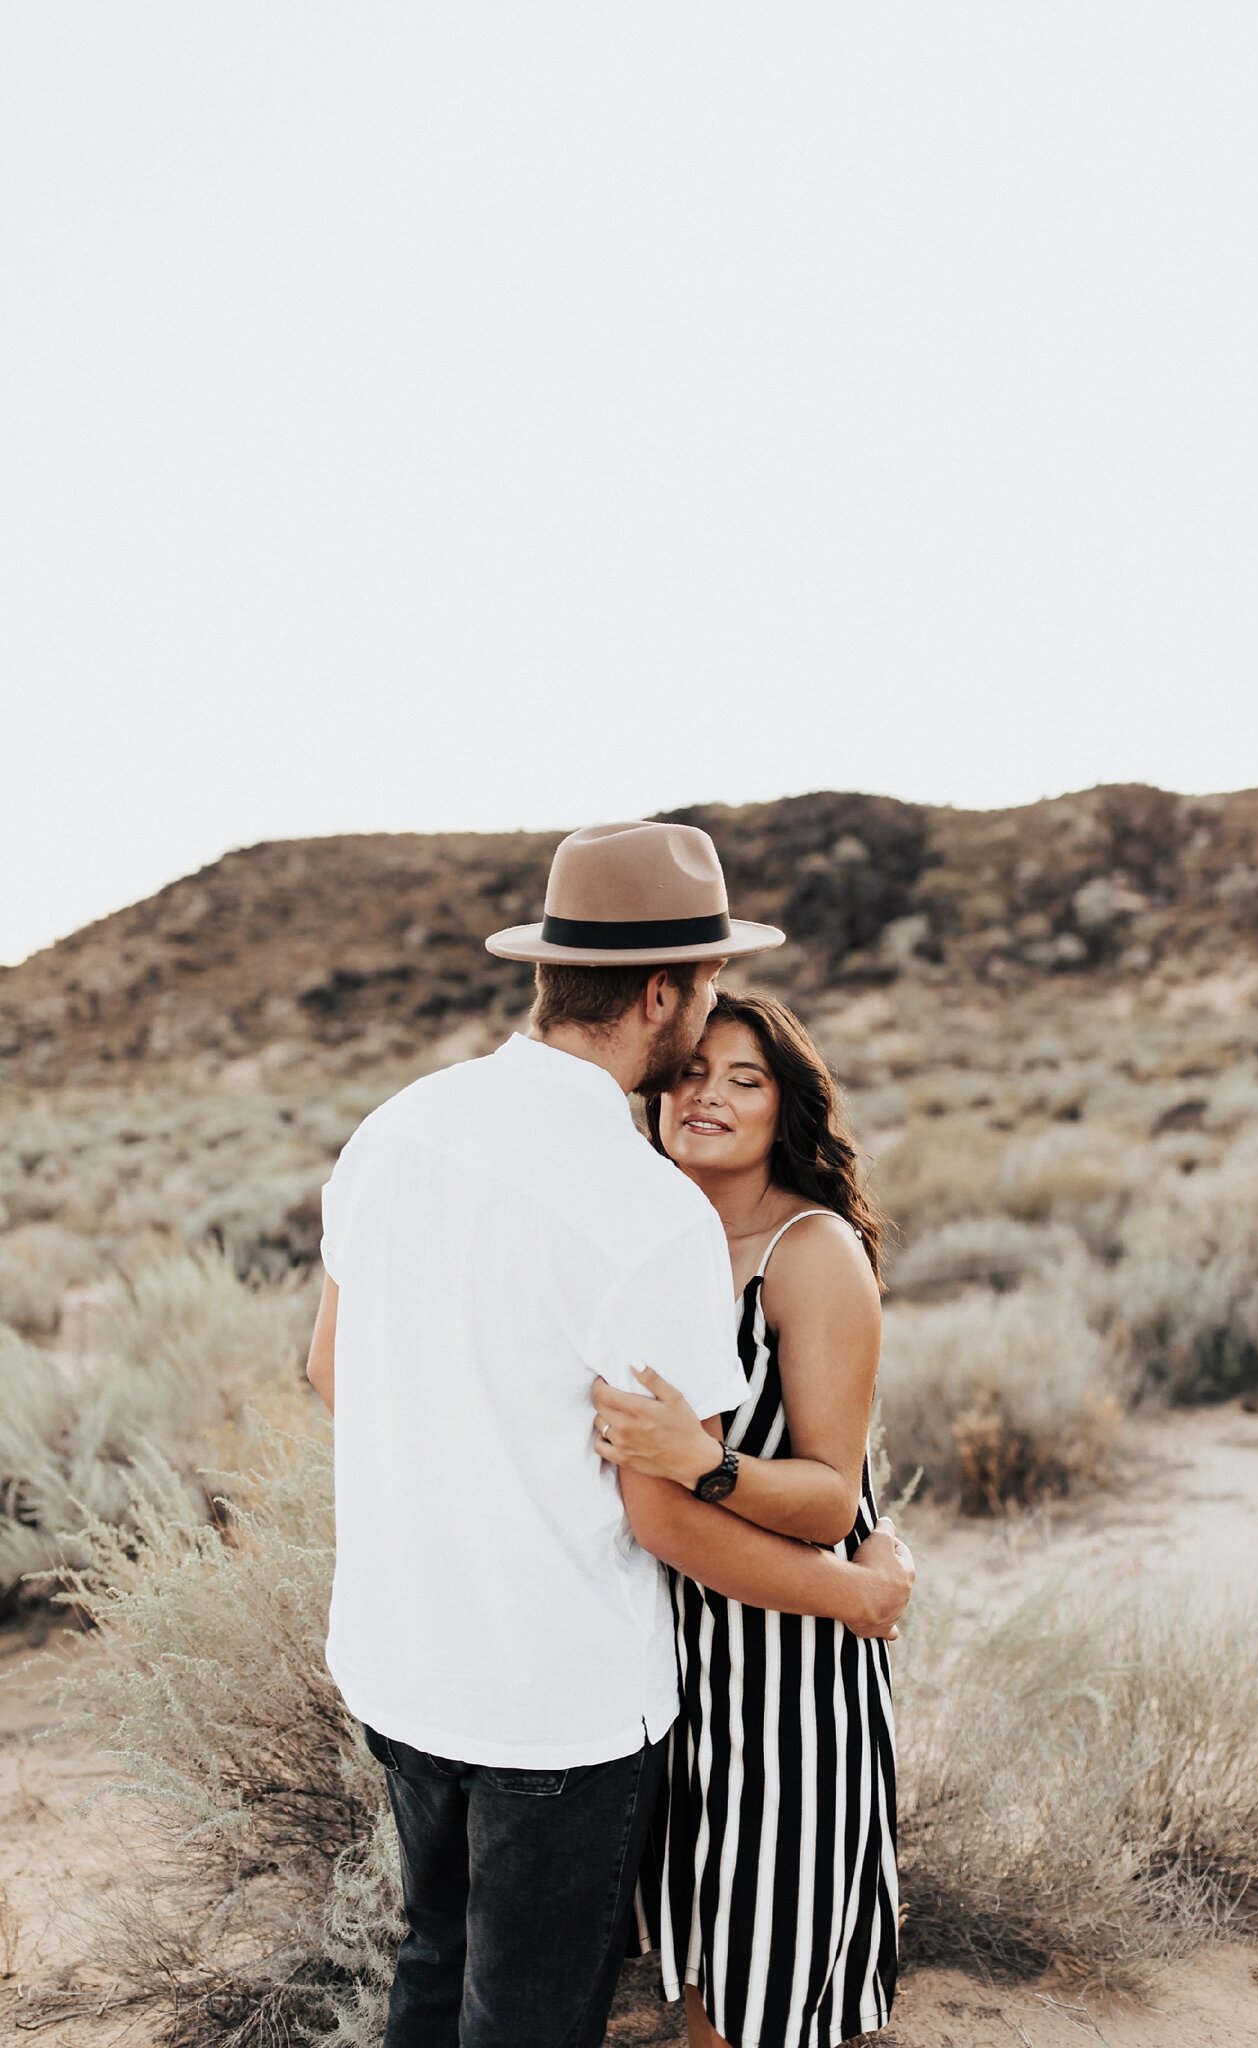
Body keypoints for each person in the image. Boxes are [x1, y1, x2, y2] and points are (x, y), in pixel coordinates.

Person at [303, 821, 915, 2048]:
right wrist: (853, 1597)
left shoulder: (396, 1127)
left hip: (398, 1654)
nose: (704, 1031)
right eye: (701, 993)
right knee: (527, 2011)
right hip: (554, 1699)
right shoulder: (644, 1209)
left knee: (434, 1957)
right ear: (660, 994)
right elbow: (666, 1509)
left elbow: (330, 1370)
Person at [592, 989, 902, 2048]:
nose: (707, 1095)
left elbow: (828, 1491)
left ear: (788, 1109)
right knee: (700, 1972)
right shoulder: (647, 1239)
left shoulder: (809, 1253)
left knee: (758, 1988)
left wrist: (703, 1462)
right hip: (671, 1659)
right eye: (690, 1072)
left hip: (786, 1669)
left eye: (745, 1078)